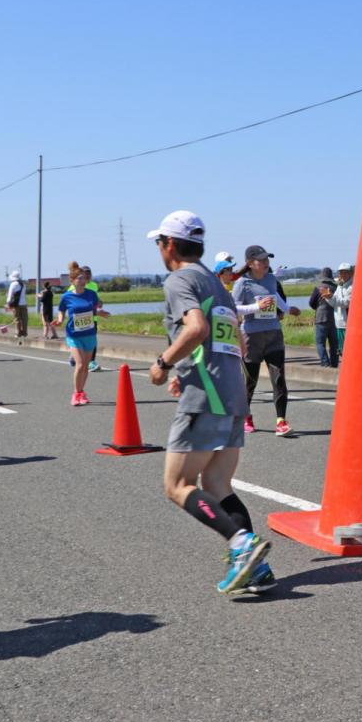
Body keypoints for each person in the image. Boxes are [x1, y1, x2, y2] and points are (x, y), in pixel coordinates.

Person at [146, 210, 275, 594]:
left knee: (177, 485)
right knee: (218, 482)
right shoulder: (217, 284)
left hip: (206, 395)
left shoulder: (180, 279)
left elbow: (197, 328)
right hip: (233, 392)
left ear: (168, 245)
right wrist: (189, 368)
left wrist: (164, 364)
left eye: (158, 243)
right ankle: (257, 571)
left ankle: (242, 544)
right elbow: (240, 342)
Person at [232, 245, 301, 436]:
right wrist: (256, 306)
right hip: (251, 337)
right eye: (261, 260)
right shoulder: (242, 284)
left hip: (273, 334)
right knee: (250, 381)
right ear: (250, 263)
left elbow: (275, 297)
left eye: (267, 259)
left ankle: (281, 421)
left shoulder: (271, 279)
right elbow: (234, 309)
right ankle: (246, 416)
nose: (265, 263)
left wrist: (288, 309)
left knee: (278, 378)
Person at [55, 261, 110, 406]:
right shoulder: (66, 297)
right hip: (74, 334)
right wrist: (60, 320)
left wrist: (100, 312)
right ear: (72, 281)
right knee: (79, 364)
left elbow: (94, 308)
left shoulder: (91, 294)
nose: (83, 280)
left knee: (86, 366)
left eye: (84, 278)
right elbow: (61, 309)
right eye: (79, 278)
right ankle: (76, 393)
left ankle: (81, 392)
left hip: (89, 333)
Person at [321, 262, 354, 359]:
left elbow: (347, 303)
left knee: (348, 352)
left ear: (351, 273)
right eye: (341, 272)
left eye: (345, 272)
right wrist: (328, 297)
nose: (342, 275)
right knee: (342, 351)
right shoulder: (340, 286)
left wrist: (331, 297)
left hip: (347, 323)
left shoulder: (352, 287)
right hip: (339, 323)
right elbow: (334, 303)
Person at [309, 268, 339, 367]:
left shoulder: (318, 288)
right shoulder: (336, 287)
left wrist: (317, 308)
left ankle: (325, 363)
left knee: (320, 343)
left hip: (321, 318)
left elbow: (311, 303)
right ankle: (334, 364)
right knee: (334, 344)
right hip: (334, 319)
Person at [80, 265, 102, 372]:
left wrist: (99, 302)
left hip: (93, 317)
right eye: (85, 273)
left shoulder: (94, 285)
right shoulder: (76, 285)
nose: (87, 275)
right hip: (80, 318)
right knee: (81, 340)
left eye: (89, 273)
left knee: (92, 340)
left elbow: (96, 299)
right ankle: (76, 356)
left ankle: (91, 361)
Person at [1, 270, 29, 344]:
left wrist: (8, 304)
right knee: (24, 319)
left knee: (17, 319)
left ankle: (18, 333)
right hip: (24, 304)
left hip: (16, 305)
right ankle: (25, 333)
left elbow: (10, 296)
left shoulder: (13, 284)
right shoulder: (23, 284)